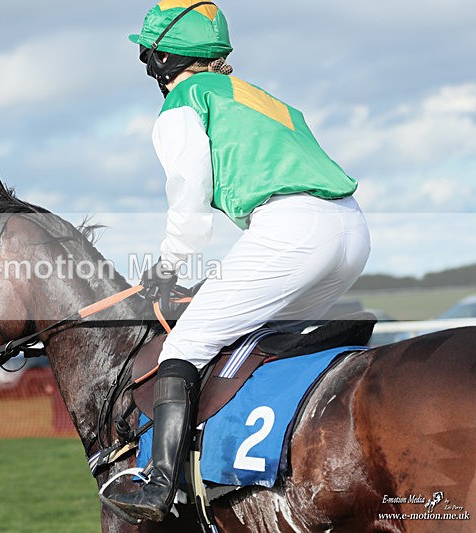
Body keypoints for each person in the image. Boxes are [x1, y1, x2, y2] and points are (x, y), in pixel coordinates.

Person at [102, 1, 371, 523]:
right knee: (253, 341)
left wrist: (167, 269)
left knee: (186, 344)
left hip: (292, 230)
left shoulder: (184, 99)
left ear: (160, 59)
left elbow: (189, 201)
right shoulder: (261, 97)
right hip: (351, 231)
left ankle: (160, 486)